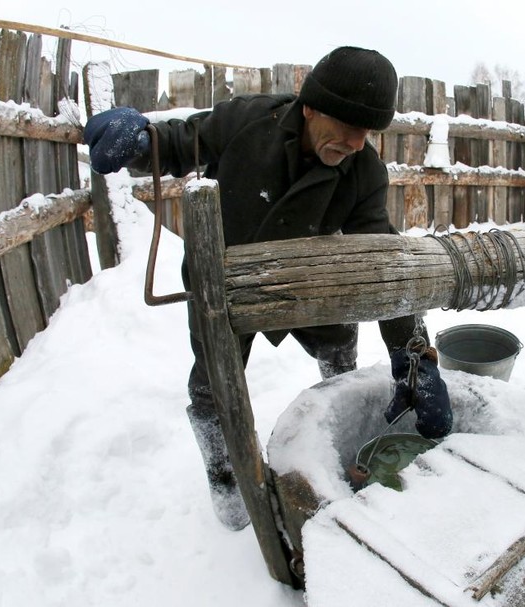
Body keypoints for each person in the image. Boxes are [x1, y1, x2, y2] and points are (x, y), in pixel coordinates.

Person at [84, 46, 452, 530]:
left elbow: (381, 262)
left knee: (340, 353)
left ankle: (334, 437)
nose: (358, 142)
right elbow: (177, 143)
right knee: (214, 388)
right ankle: (227, 479)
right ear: (311, 106)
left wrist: (412, 351)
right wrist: (139, 141)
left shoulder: (363, 172)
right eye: (349, 126)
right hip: (222, 285)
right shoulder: (246, 122)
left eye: (368, 132)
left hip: (307, 284)